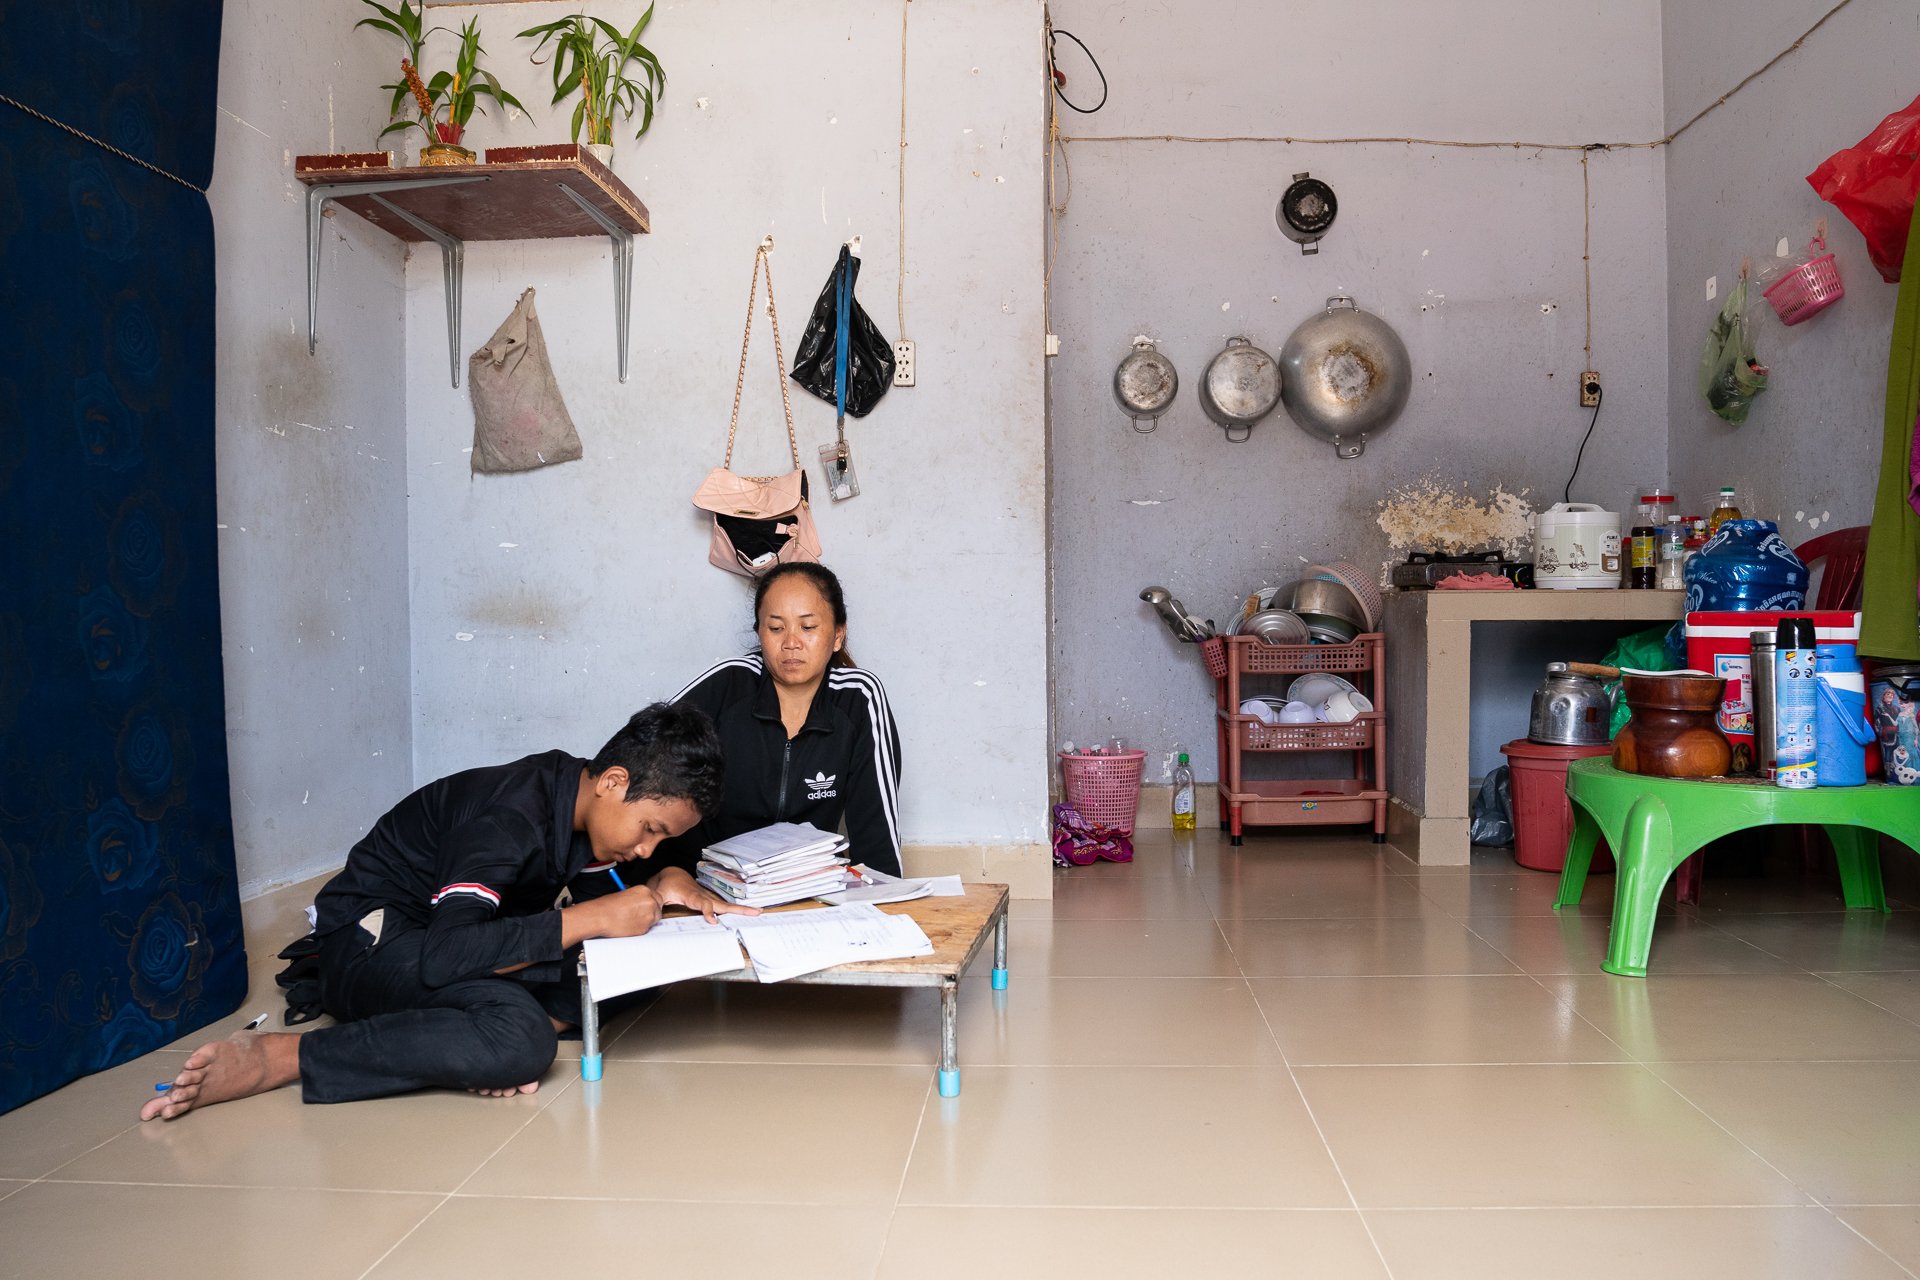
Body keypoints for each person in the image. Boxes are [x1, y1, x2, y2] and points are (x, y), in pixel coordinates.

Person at [139, 703, 754, 1120]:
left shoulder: (579, 807)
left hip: (451, 943)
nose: (645, 847)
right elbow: (447, 955)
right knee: (519, 1036)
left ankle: (483, 1034)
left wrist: (663, 877)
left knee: (635, 967)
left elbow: (603, 895)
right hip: (374, 945)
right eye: (649, 830)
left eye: (660, 841)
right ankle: (283, 1059)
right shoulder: (510, 818)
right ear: (614, 783)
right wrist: (594, 919)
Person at [582, 563, 903, 894]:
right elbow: (622, 766)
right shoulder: (728, 684)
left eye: (808, 627)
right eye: (776, 628)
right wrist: (604, 890)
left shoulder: (859, 699)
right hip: (698, 886)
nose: (791, 643)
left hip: (801, 891)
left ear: (837, 635)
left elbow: (876, 830)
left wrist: (885, 913)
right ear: (759, 633)